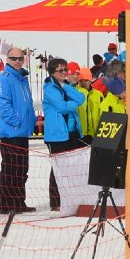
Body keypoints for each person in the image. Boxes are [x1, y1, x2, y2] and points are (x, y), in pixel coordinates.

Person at [0, 47, 37, 215]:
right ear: (7, 59)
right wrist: (16, 122)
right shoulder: (5, 78)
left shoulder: (22, 78)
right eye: (14, 58)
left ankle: (19, 201)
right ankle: (7, 203)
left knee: (22, 169)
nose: (17, 61)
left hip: (22, 132)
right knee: (10, 169)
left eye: (20, 58)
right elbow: (3, 104)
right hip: (11, 132)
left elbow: (28, 102)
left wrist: (32, 120)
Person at [43, 58, 86, 212]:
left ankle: (69, 198)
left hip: (72, 132)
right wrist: (73, 104)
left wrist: (66, 87)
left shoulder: (67, 86)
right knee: (58, 168)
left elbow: (82, 98)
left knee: (71, 167)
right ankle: (56, 201)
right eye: (60, 70)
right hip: (57, 135)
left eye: (65, 70)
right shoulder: (49, 88)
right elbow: (62, 107)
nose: (64, 73)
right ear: (52, 72)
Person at [76, 67, 101, 143]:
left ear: (90, 80)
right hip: (80, 134)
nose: (83, 83)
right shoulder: (75, 93)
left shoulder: (98, 95)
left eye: (86, 80)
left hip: (95, 133)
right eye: (81, 81)